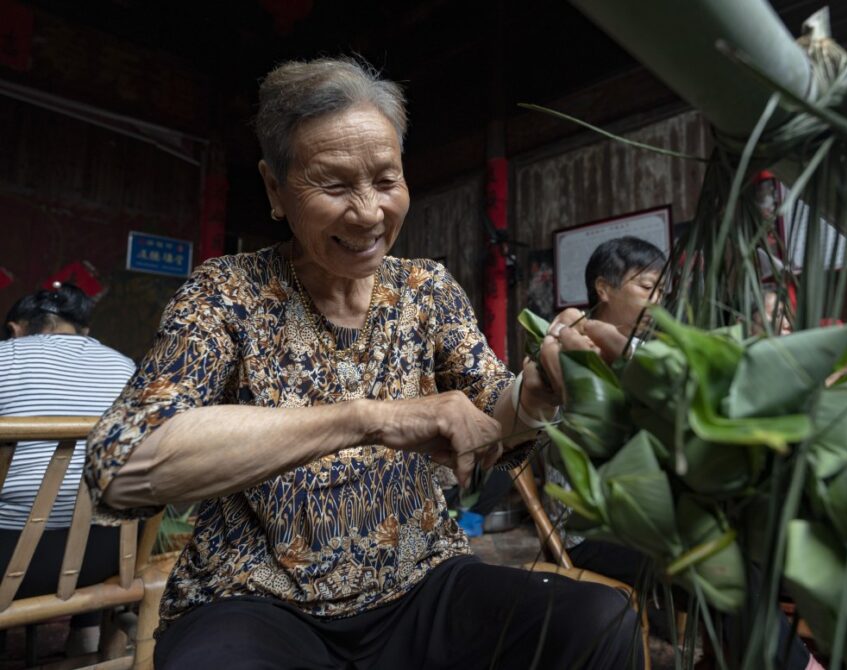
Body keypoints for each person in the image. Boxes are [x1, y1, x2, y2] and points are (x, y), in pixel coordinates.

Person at [85, 57, 641, 670]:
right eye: (333, 185)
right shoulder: (227, 292)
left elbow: (488, 417)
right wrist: (368, 418)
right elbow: (125, 465)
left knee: (596, 620)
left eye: (385, 180)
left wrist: (535, 393)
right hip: (257, 600)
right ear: (275, 189)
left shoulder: (426, 288)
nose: (369, 213)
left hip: (420, 581)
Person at [547, 237, 822, 670]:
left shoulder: (643, 351)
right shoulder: (568, 349)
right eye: (647, 289)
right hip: (594, 531)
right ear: (604, 288)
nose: (658, 303)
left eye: (662, 292)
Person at [0, 283, 136, 656]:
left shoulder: (5, 357)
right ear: (84, 332)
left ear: (16, 329)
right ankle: (85, 641)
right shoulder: (126, 367)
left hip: (7, 559)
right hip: (108, 559)